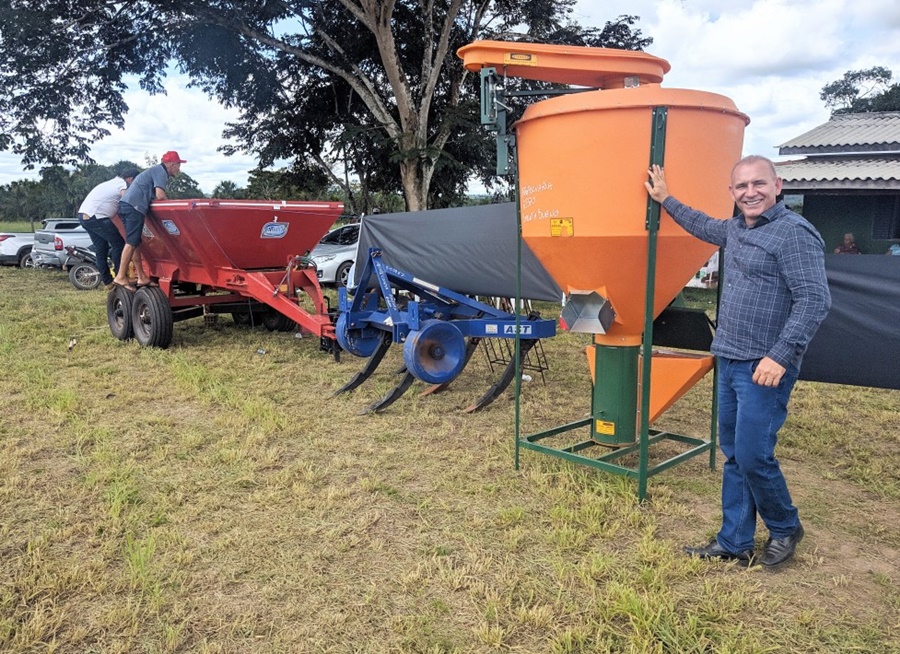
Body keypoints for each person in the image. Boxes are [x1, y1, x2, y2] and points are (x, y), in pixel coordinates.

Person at [645, 155, 831, 568]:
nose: (751, 192)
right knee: (733, 452)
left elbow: (814, 300)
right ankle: (735, 541)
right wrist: (665, 198)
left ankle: (785, 527)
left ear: (777, 186)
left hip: (764, 367)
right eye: (742, 186)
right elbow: (700, 223)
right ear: (732, 193)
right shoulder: (734, 229)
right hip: (728, 357)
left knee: (752, 454)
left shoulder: (794, 234)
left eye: (758, 184)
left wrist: (779, 357)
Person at [112, 150, 186, 291]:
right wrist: (173, 208)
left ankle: (141, 276)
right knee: (131, 242)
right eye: (178, 165)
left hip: (126, 206)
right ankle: (120, 276)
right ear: (170, 164)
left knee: (134, 243)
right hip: (133, 208)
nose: (179, 168)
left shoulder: (154, 171)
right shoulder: (160, 171)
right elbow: (160, 195)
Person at [77, 168, 140, 289]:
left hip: (85, 216)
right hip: (97, 217)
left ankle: (108, 281)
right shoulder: (122, 184)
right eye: (135, 183)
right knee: (119, 244)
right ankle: (120, 276)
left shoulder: (111, 183)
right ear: (130, 179)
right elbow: (127, 200)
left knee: (101, 248)